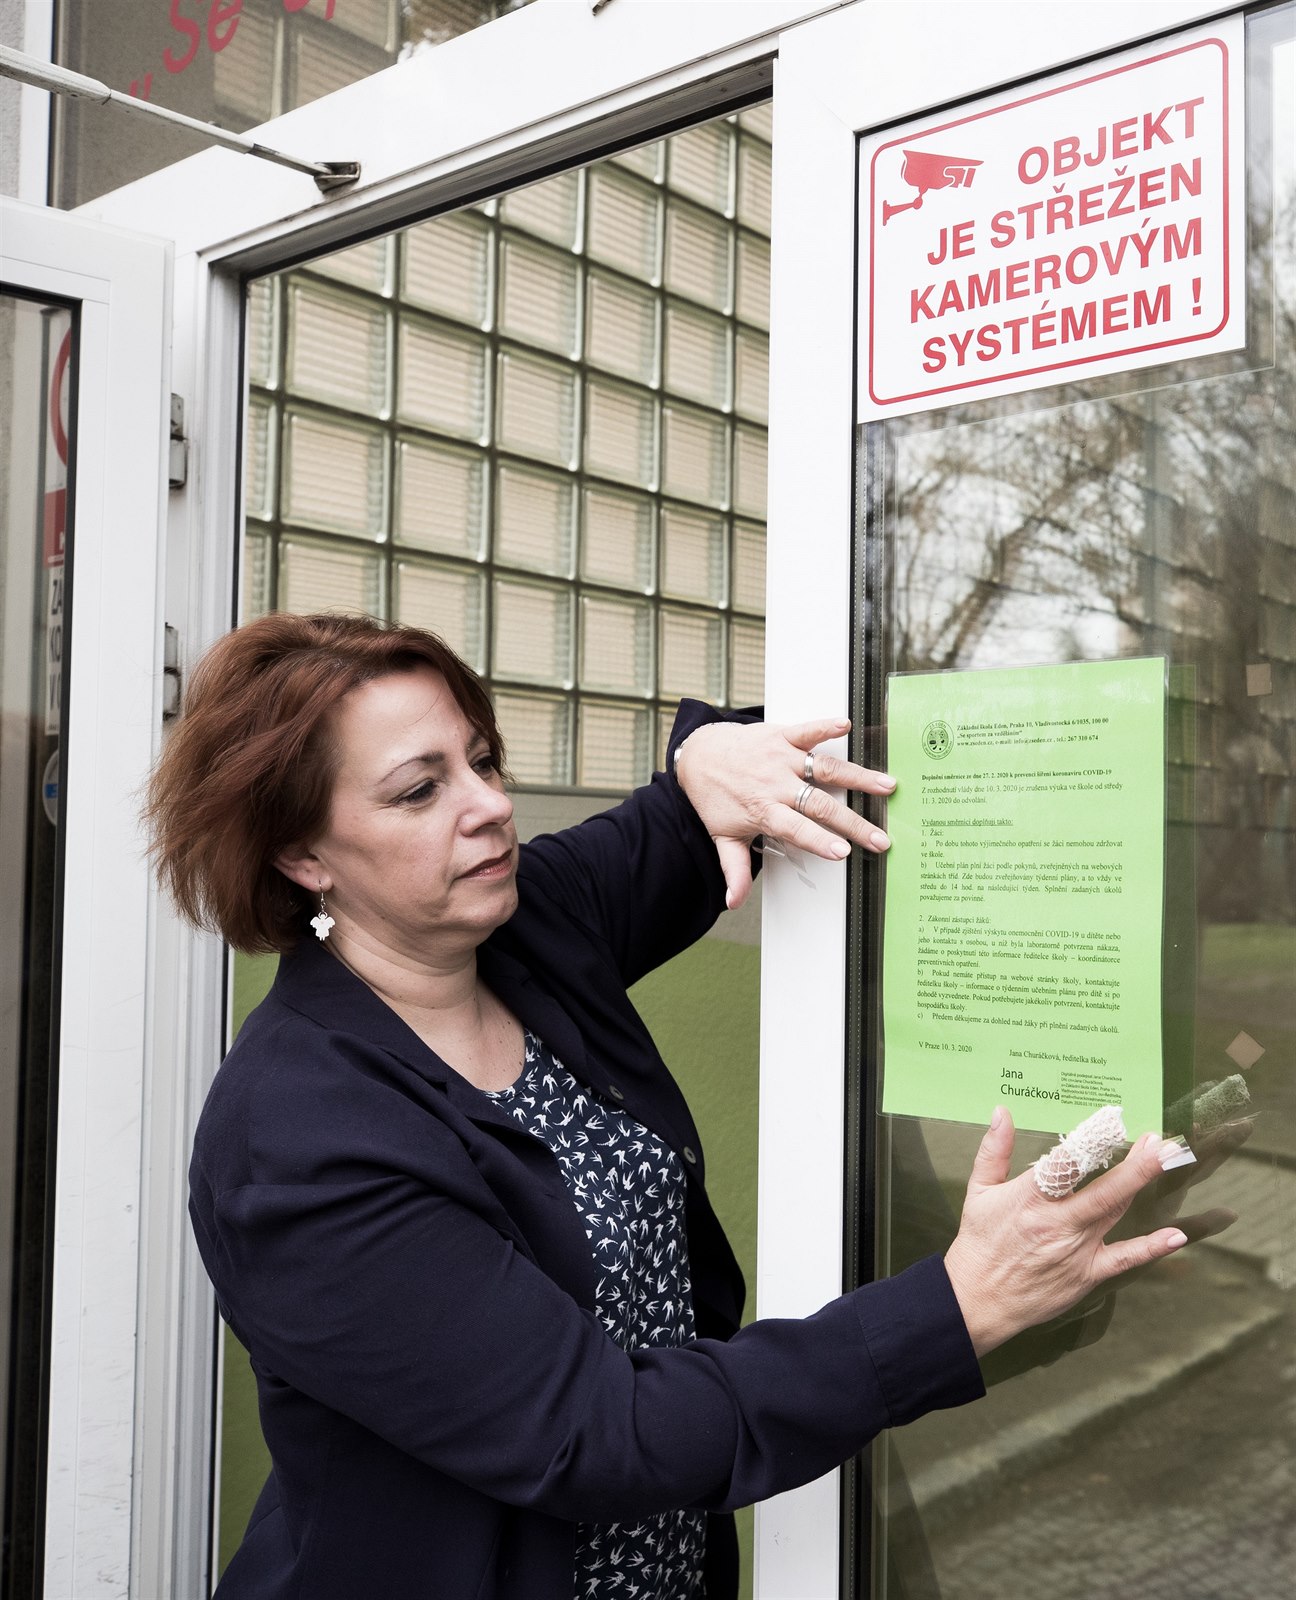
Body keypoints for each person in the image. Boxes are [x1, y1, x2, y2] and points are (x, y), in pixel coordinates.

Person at [147, 611, 1190, 1600]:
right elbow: (599, 1434)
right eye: (421, 790)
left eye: (484, 760)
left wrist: (708, 749)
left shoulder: (528, 922)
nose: (490, 805)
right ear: (303, 856)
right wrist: (960, 1303)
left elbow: (713, 793)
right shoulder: (297, 1137)